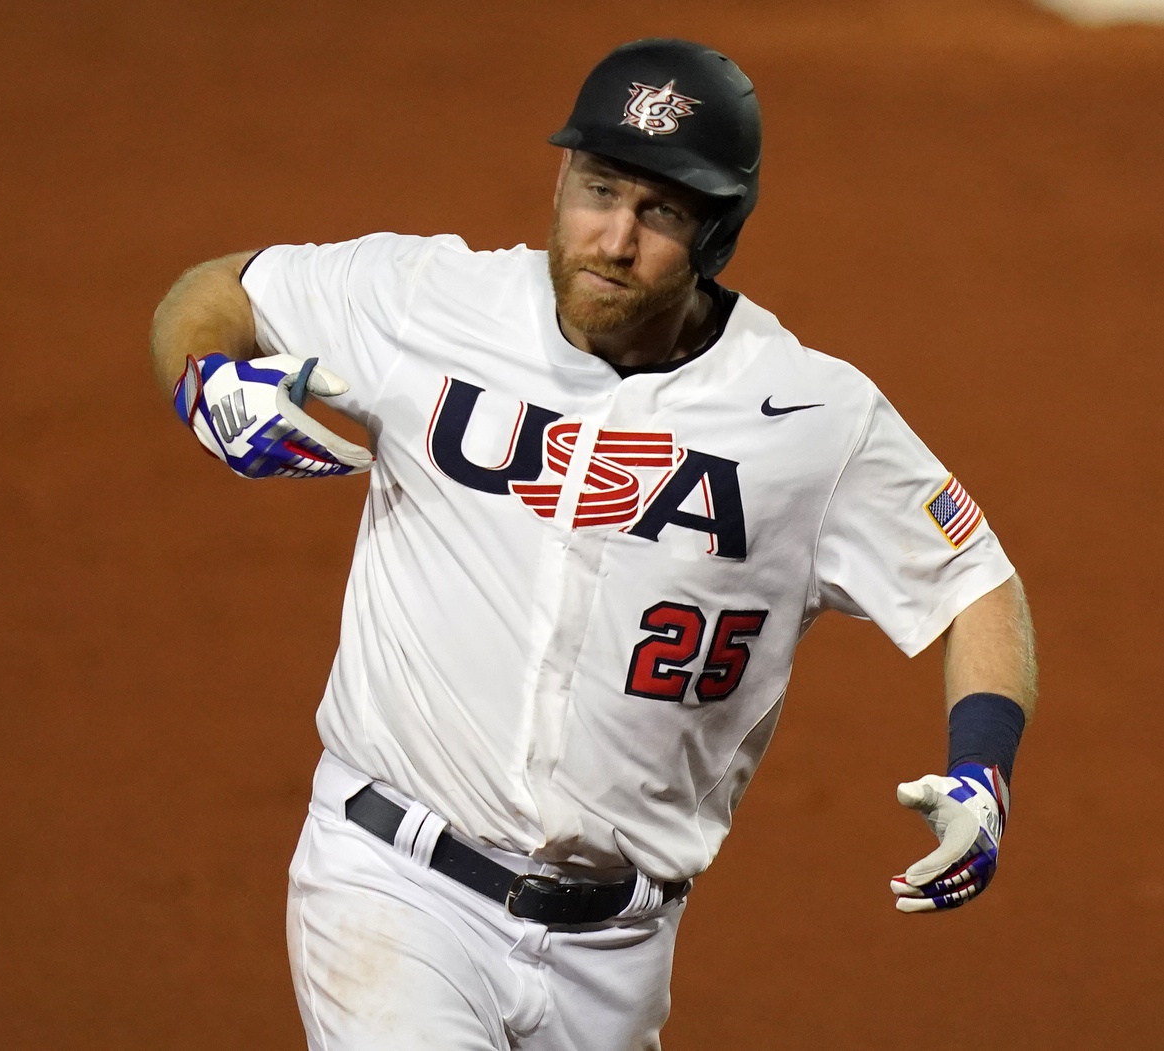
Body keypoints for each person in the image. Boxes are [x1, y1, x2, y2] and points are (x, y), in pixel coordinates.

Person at [148, 38, 1035, 1051]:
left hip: (617, 955)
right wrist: (206, 378)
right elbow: (219, 289)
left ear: (717, 235)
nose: (609, 239)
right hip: (394, 893)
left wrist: (982, 770)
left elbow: (974, 584)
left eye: (657, 213)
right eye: (595, 188)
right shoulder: (429, 302)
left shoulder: (813, 420)